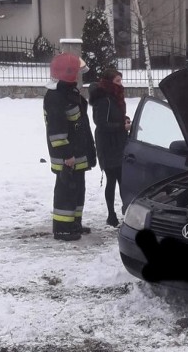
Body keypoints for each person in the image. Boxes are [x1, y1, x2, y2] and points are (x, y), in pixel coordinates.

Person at [43, 53, 96, 241]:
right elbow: (56, 131)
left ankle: (74, 223)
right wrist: (67, 155)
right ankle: (62, 228)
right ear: (68, 73)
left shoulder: (68, 91)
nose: (79, 76)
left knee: (78, 189)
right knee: (66, 191)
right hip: (67, 156)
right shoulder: (55, 96)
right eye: (76, 72)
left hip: (77, 153)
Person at [88, 66, 128, 228]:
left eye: (120, 80)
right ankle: (111, 215)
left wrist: (124, 120)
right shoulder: (104, 99)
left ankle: (126, 212)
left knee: (123, 180)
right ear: (109, 82)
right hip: (108, 145)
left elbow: (115, 116)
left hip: (119, 142)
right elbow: (101, 124)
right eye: (117, 81)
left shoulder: (115, 96)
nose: (120, 84)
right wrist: (121, 126)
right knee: (112, 179)